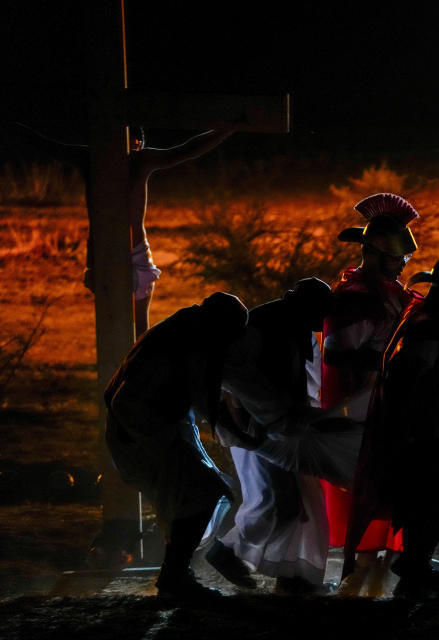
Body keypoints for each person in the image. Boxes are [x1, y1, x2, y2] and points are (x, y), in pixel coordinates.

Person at [343, 239, 439, 599]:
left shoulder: (420, 318)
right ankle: (414, 565)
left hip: (407, 435)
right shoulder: (429, 329)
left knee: (424, 503)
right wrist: (419, 436)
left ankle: (415, 570)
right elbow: (408, 377)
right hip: (412, 438)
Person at [13, 122, 233, 337]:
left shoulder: (129, 159)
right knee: (128, 333)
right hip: (111, 257)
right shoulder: (106, 158)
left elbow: (188, 150)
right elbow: (187, 150)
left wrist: (227, 129)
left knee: (132, 334)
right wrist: (227, 129)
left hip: (113, 256)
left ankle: (133, 370)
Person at [103, 292, 248, 599]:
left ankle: (182, 569)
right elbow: (206, 402)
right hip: (142, 431)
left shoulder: (182, 329)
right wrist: (247, 438)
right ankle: (175, 576)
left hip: (142, 428)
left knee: (189, 496)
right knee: (203, 491)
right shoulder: (192, 342)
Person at [205, 278, 335, 595]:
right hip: (259, 430)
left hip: (272, 428)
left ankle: (289, 573)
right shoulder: (268, 327)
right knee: (277, 501)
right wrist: (263, 426)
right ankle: (239, 558)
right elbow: (237, 380)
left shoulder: (293, 325)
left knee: (284, 502)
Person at [319, 193, 419, 593]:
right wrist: (385, 361)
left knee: (391, 486)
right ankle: (357, 573)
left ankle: (381, 571)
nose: (402, 267)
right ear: (375, 255)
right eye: (397, 260)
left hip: (389, 407)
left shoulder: (392, 294)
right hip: (359, 409)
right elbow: (338, 355)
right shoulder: (353, 300)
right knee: (366, 487)